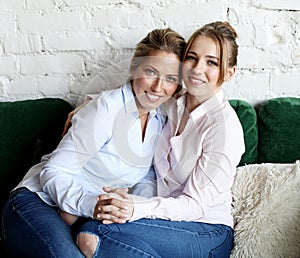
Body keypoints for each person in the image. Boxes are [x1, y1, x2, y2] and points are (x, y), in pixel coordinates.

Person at [1, 28, 186, 257]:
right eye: (150, 71)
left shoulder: (159, 120)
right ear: (134, 69)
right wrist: (92, 205)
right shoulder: (106, 109)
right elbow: (54, 171)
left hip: (85, 212)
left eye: (170, 79)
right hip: (39, 201)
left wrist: (131, 202)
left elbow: (148, 176)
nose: (159, 87)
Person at [72, 21, 245, 258]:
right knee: (88, 225)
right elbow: (139, 92)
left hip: (206, 230)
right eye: (192, 58)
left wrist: (136, 207)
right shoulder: (174, 102)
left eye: (211, 62)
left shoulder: (224, 128)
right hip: (163, 218)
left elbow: (194, 205)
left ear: (230, 73)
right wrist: (89, 104)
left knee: (94, 236)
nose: (197, 68)